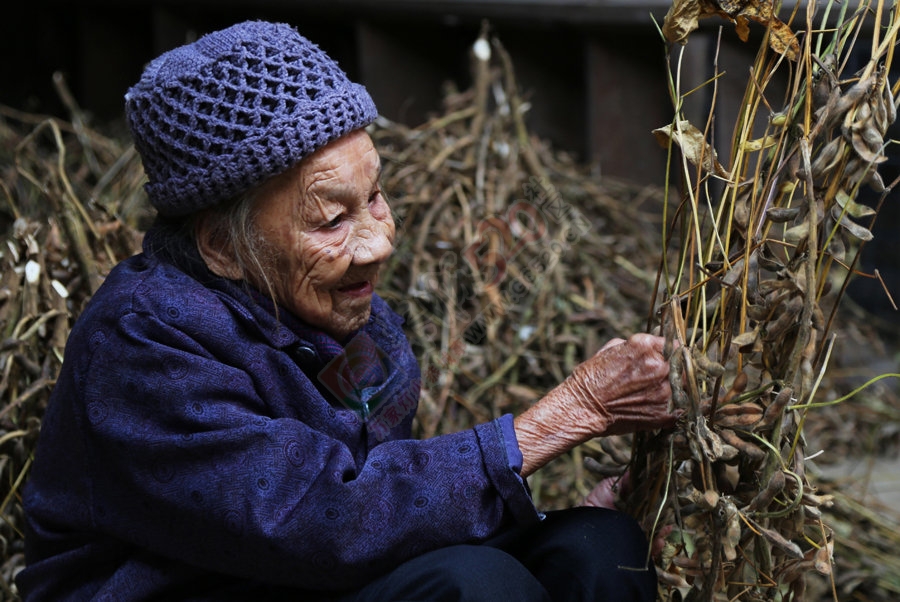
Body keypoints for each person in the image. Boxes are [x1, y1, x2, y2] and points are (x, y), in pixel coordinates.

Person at [18, 20, 677, 601]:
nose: (379, 242)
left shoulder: (341, 310)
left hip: (315, 574)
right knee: (475, 588)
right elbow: (322, 516)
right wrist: (573, 411)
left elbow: (379, 497)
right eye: (332, 219)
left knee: (598, 549)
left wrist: (516, 515)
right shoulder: (144, 342)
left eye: (378, 196)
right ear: (221, 246)